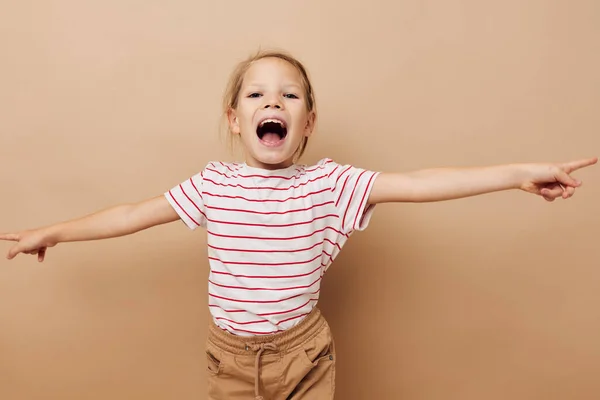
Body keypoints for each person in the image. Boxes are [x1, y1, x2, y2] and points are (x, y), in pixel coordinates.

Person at [0, 49, 597, 400]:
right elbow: (130, 216)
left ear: (307, 123)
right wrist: (51, 231)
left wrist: (519, 173)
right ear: (235, 120)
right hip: (228, 358)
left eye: (289, 97)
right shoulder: (214, 184)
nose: (273, 104)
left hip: (305, 355)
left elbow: (420, 184)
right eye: (258, 95)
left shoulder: (328, 185)